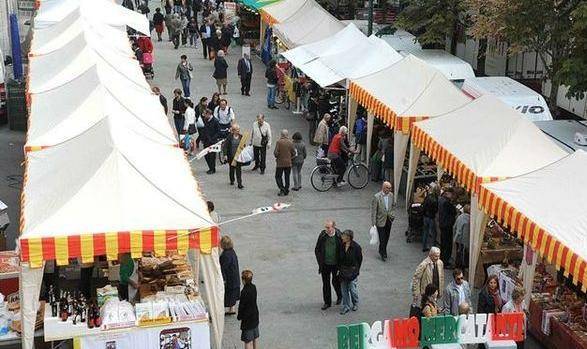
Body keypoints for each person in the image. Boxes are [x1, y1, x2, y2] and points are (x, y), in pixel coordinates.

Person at [315, 220, 342, 310]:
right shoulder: (323, 236)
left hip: (336, 264)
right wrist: (320, 261)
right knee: (326, 284)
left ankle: (340, 296)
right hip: (325, 264)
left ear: (333, 227)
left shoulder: (339, 236)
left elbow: (343, 250)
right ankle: (327, 302)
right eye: (326, 227)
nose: (327, 229)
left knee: (336, 281)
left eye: (328, 227)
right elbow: (317, 249)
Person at [338, 230, 362, 315]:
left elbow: (359, 260)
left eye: (343, 236)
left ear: (348, 237)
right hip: (343, 271)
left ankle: (355, 302)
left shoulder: (356, 247)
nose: (342, 237)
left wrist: (356, 271)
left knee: (352, 289)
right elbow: (339, 258)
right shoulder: (341, 245)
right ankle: (346, 306)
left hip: (352, 272)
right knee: (344, 290)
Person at [370, 181, 395, 261]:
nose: (390, 189)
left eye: (390, 188)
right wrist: (373, 223)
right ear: (383, 188)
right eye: (388, 188)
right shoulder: (376, 197)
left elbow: (393, 206)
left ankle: (383, 249)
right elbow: (374, 211)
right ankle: (383, 252)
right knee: (382, 237)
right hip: (380, 220)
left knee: (387, 236)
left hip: (389, 219)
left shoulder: (391, 195)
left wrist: (393, 214)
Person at [237, 270, 259, 349]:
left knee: (247, 341)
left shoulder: (244, 292)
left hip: (247, 319)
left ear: (243, 280)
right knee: (255, 338)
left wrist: (239, 316)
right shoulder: (254, 287)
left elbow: (242, 306)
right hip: (255, 316)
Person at [220, 236, 240, 315]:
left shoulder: (225, 255)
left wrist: (223, 279)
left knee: (228, 293)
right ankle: (232, 308)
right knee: (233, 293)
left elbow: (223, 268)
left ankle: (224, 309)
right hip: (234, 276)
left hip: (229, 278)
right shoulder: (232, 251)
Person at [222, 124, 245, 189]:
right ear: (233, 131)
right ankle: (232, 180)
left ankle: (239, 184)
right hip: (231, 156)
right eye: (237, 130)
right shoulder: (230, 137)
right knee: (232, 169)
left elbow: (244, 145)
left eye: (238, 130)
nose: (238, 131)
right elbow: (225, 146)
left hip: (238, 156)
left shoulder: (241, 136)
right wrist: (225, 155)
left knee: (238, 170)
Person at [274, 129, 295, 196]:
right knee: (287, 176)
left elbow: (276, 153)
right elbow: (294, 153)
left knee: (278, 176)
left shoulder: (279, 142)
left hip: (280, 163)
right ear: (287, 135)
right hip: (288, 163)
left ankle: (282, 188)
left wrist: (277, 156)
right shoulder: (290, 142)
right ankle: (286, 189)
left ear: (281, 135)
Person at [438, 189, 457, 265]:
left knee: (443, 243)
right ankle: (445, 261)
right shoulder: (446, 202)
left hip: (442, 224)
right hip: (447, 225)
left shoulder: (441, 200)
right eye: (451, 194)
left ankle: (442, 258)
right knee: (447, 244)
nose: (452, 196)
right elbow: (453, 211)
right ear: (447, 193)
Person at [201, 109, 220, 174]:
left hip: (212, 141)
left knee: (212, 156)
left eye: (205, 114)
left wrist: (212, 139)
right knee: (206, 155)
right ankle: (210, 167)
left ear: (209, 114)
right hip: (206, 141)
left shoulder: (215, 121)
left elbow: (218, 132)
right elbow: (204, 130)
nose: (204, 115)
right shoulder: (206, 120)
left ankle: (212, 169)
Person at [422, 185, 439, 252]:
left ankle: (424, 246)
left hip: (426, 216)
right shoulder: (436, 199)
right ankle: (433, 248)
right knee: (433, 233)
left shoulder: (428, 196)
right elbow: (436, 209)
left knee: (425, 232)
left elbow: (424, 205)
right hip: (431, 217)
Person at [453, 205, 471, 269]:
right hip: (463, 240)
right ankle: (462, 267)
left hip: (457, 238)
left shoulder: (460, 216)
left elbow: (454, 227)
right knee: (463, 254)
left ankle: (457, 265)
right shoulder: (469, 220)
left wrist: (455, 236)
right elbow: (466, 233)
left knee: (458, 253)